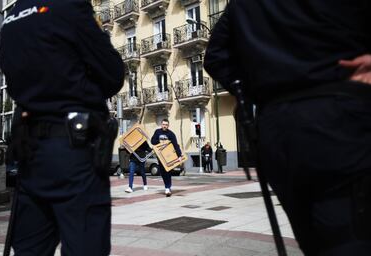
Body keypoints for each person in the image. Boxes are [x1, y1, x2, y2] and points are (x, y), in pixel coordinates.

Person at [204, 1, 371, 256]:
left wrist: (255, 89)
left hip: (278, 128)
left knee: (316, 240)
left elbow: (216, 56)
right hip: (341, 112)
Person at [0, 0, 124, 255]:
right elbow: (112, 73)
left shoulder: (11, 18)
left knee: (30, 248)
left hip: (30, 153)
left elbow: (12, 79)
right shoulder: (69, 5)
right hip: (74, 152)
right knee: (85, 246)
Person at [151, 119, 182, 197]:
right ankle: (167, 186)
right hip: (160, 156)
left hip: (168, 156)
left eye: (166, 124)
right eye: (163, 124)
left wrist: (179, 155)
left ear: (168, 125)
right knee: (162, 172)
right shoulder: (157, 132)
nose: (164, 126)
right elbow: (152, 141)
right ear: (161, 125)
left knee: (168, 171)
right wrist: (160, 142)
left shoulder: (171, 134)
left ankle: (167, 187)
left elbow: (175, 145)